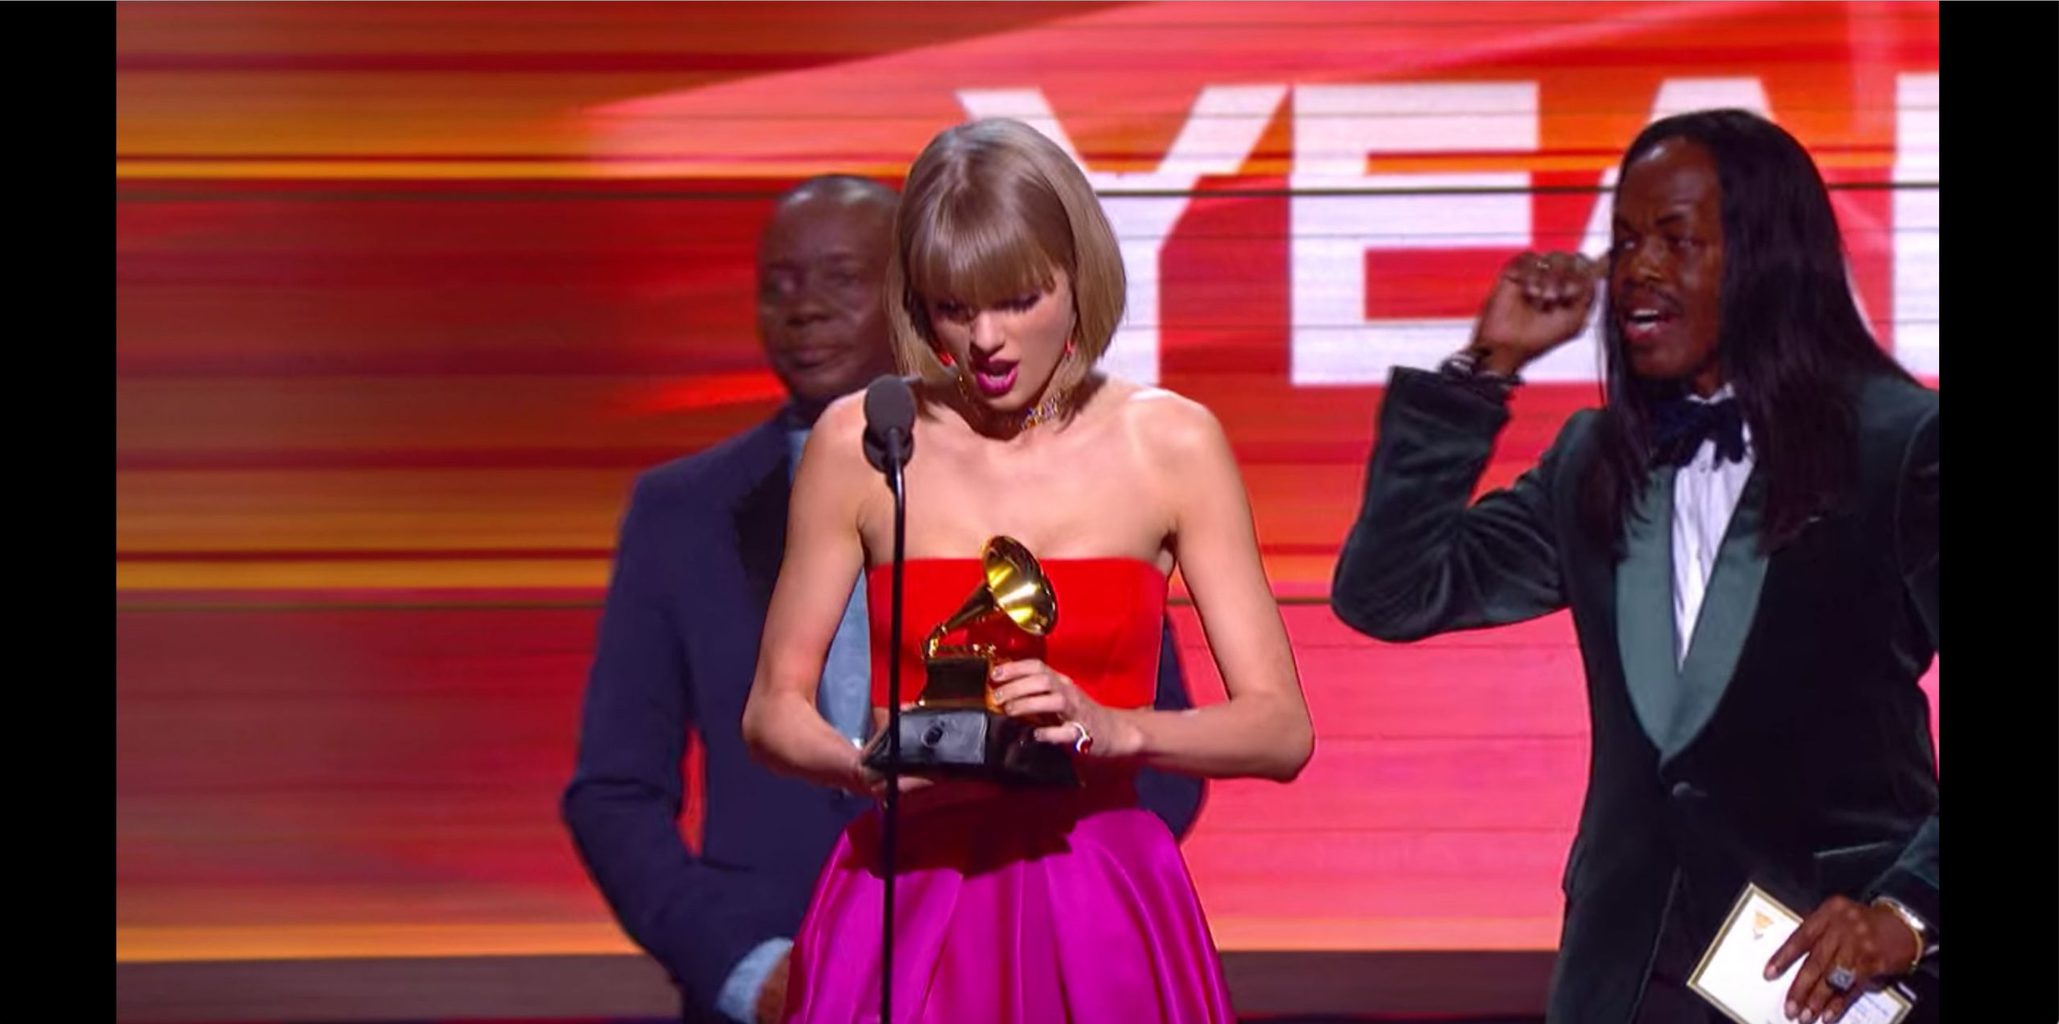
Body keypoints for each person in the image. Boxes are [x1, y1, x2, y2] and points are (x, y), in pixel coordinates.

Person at [1328, 109, 1938, 1024]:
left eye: (1676, 240)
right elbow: (1389, 591)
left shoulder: (1899, 446)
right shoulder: (1592, 460)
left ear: (1768, 257)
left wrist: (1907, 912)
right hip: (1627, 976)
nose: (1638, 270)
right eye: (1623, 242)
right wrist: (1484, 367)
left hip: (1828, 971)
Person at [563, 173, 1206, 1024]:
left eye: (839, 279)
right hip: (778, 979)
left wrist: (1034, 925)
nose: (803, 311)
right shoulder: (681, 512)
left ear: (917, 297)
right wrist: (745, 970)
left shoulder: (1050, 482)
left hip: (1012, 971)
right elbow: (613, 793)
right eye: (779, 285)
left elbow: (1156, 760)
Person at [741, 119, 1314, 1023]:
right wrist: (861, 768)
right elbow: (772, 707)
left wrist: (1116, 729)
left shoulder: (1170, 443)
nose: (986, 341)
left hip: (1099, 894)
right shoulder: (864, 441)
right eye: (954, 308)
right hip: (904, 896)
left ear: (1078, 275)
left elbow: (1280, 731)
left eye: (1016, 299)